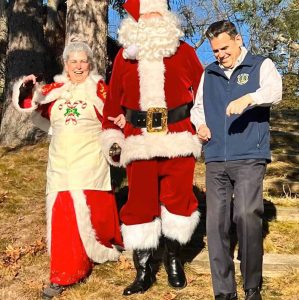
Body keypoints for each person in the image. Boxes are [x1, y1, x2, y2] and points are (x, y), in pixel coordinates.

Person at [101, 0, 204, 295]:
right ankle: (143, 271)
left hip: (178, 139)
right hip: (139, 139)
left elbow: (202, 91)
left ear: (167, 16)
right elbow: (112, 103)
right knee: (140, 204)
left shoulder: (184, 52)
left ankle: (174, 261)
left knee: (178, 201)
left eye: (156, 13)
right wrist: (113, 136)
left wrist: (200, 126)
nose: (151, 19)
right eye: (145, 15)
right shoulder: (124, 56)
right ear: (135, 20)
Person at [12, 41, 123, 299]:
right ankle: (63, 273)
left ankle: (101, 249)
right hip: (60, 164)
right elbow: (30, 105)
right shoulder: (55, 90)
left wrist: (116, 144)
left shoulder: (100, 90)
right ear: (66, 64)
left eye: (83, 61)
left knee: (94, 216)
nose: (78, 66)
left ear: (90, 63)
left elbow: (115, 119)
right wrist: (27, 86)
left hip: (90, 162)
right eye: (73, 61)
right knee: (64, 218)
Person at [191, 20, 282, 300]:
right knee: (216, 225)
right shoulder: (210, 73)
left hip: (249, 155)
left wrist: (249, 98)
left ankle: (251, 286)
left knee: (245, 215)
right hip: (216, 156)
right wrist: (200, 125)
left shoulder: (259, 64)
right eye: (215, 50)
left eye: (224, 47)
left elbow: (275, 92)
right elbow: (197, 108)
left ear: (238, 40)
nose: (220, 54)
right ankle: (224, 291)